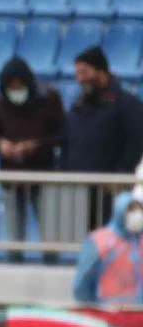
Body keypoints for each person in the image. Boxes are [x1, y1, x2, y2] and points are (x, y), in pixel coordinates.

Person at [0, 57, 65, 262]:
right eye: (11, 87)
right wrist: (1, 145)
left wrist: (34, 146)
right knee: (14, 238)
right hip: (11, 177)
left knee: (50, 235)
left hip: (43, 175)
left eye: (19, 86)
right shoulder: (0, 102)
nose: (16, 91)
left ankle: (51, 266)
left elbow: (61, 135)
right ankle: (14, 266)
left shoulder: (49, 99)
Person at [61, 46, 143, 230]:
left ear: (101, 71)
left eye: (84, 72)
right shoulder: (78, 105)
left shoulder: (127, 104)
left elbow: (136, 143)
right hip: (78, 191)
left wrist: (121, 174)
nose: (80, 78)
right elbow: (67, 141)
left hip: (110, 192)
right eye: (77, 73)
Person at [73, 192, 143, 306]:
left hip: (137, 312)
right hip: (105, 311)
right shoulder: (98, 241)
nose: (137, 215)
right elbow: (82, 286)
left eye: (139, 210)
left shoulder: (139, 243)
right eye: (131, 210)